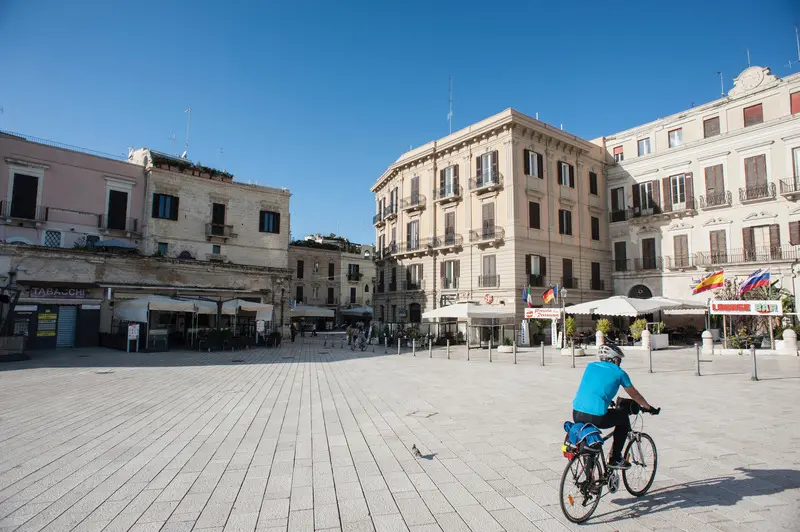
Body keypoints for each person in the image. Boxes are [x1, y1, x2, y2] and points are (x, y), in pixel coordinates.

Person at [572, 343, 657, 470]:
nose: (619, 362)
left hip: (576, 413)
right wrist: (648, 407)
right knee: (623, 418)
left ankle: (589, 475)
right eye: (619, 359)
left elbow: (595, 388)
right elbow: (635, 395)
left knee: (589, 444)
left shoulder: (590, 366)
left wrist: (608, 401)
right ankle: (615, 458)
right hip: (596, 416)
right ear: (614, 359)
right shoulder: (619, 373)